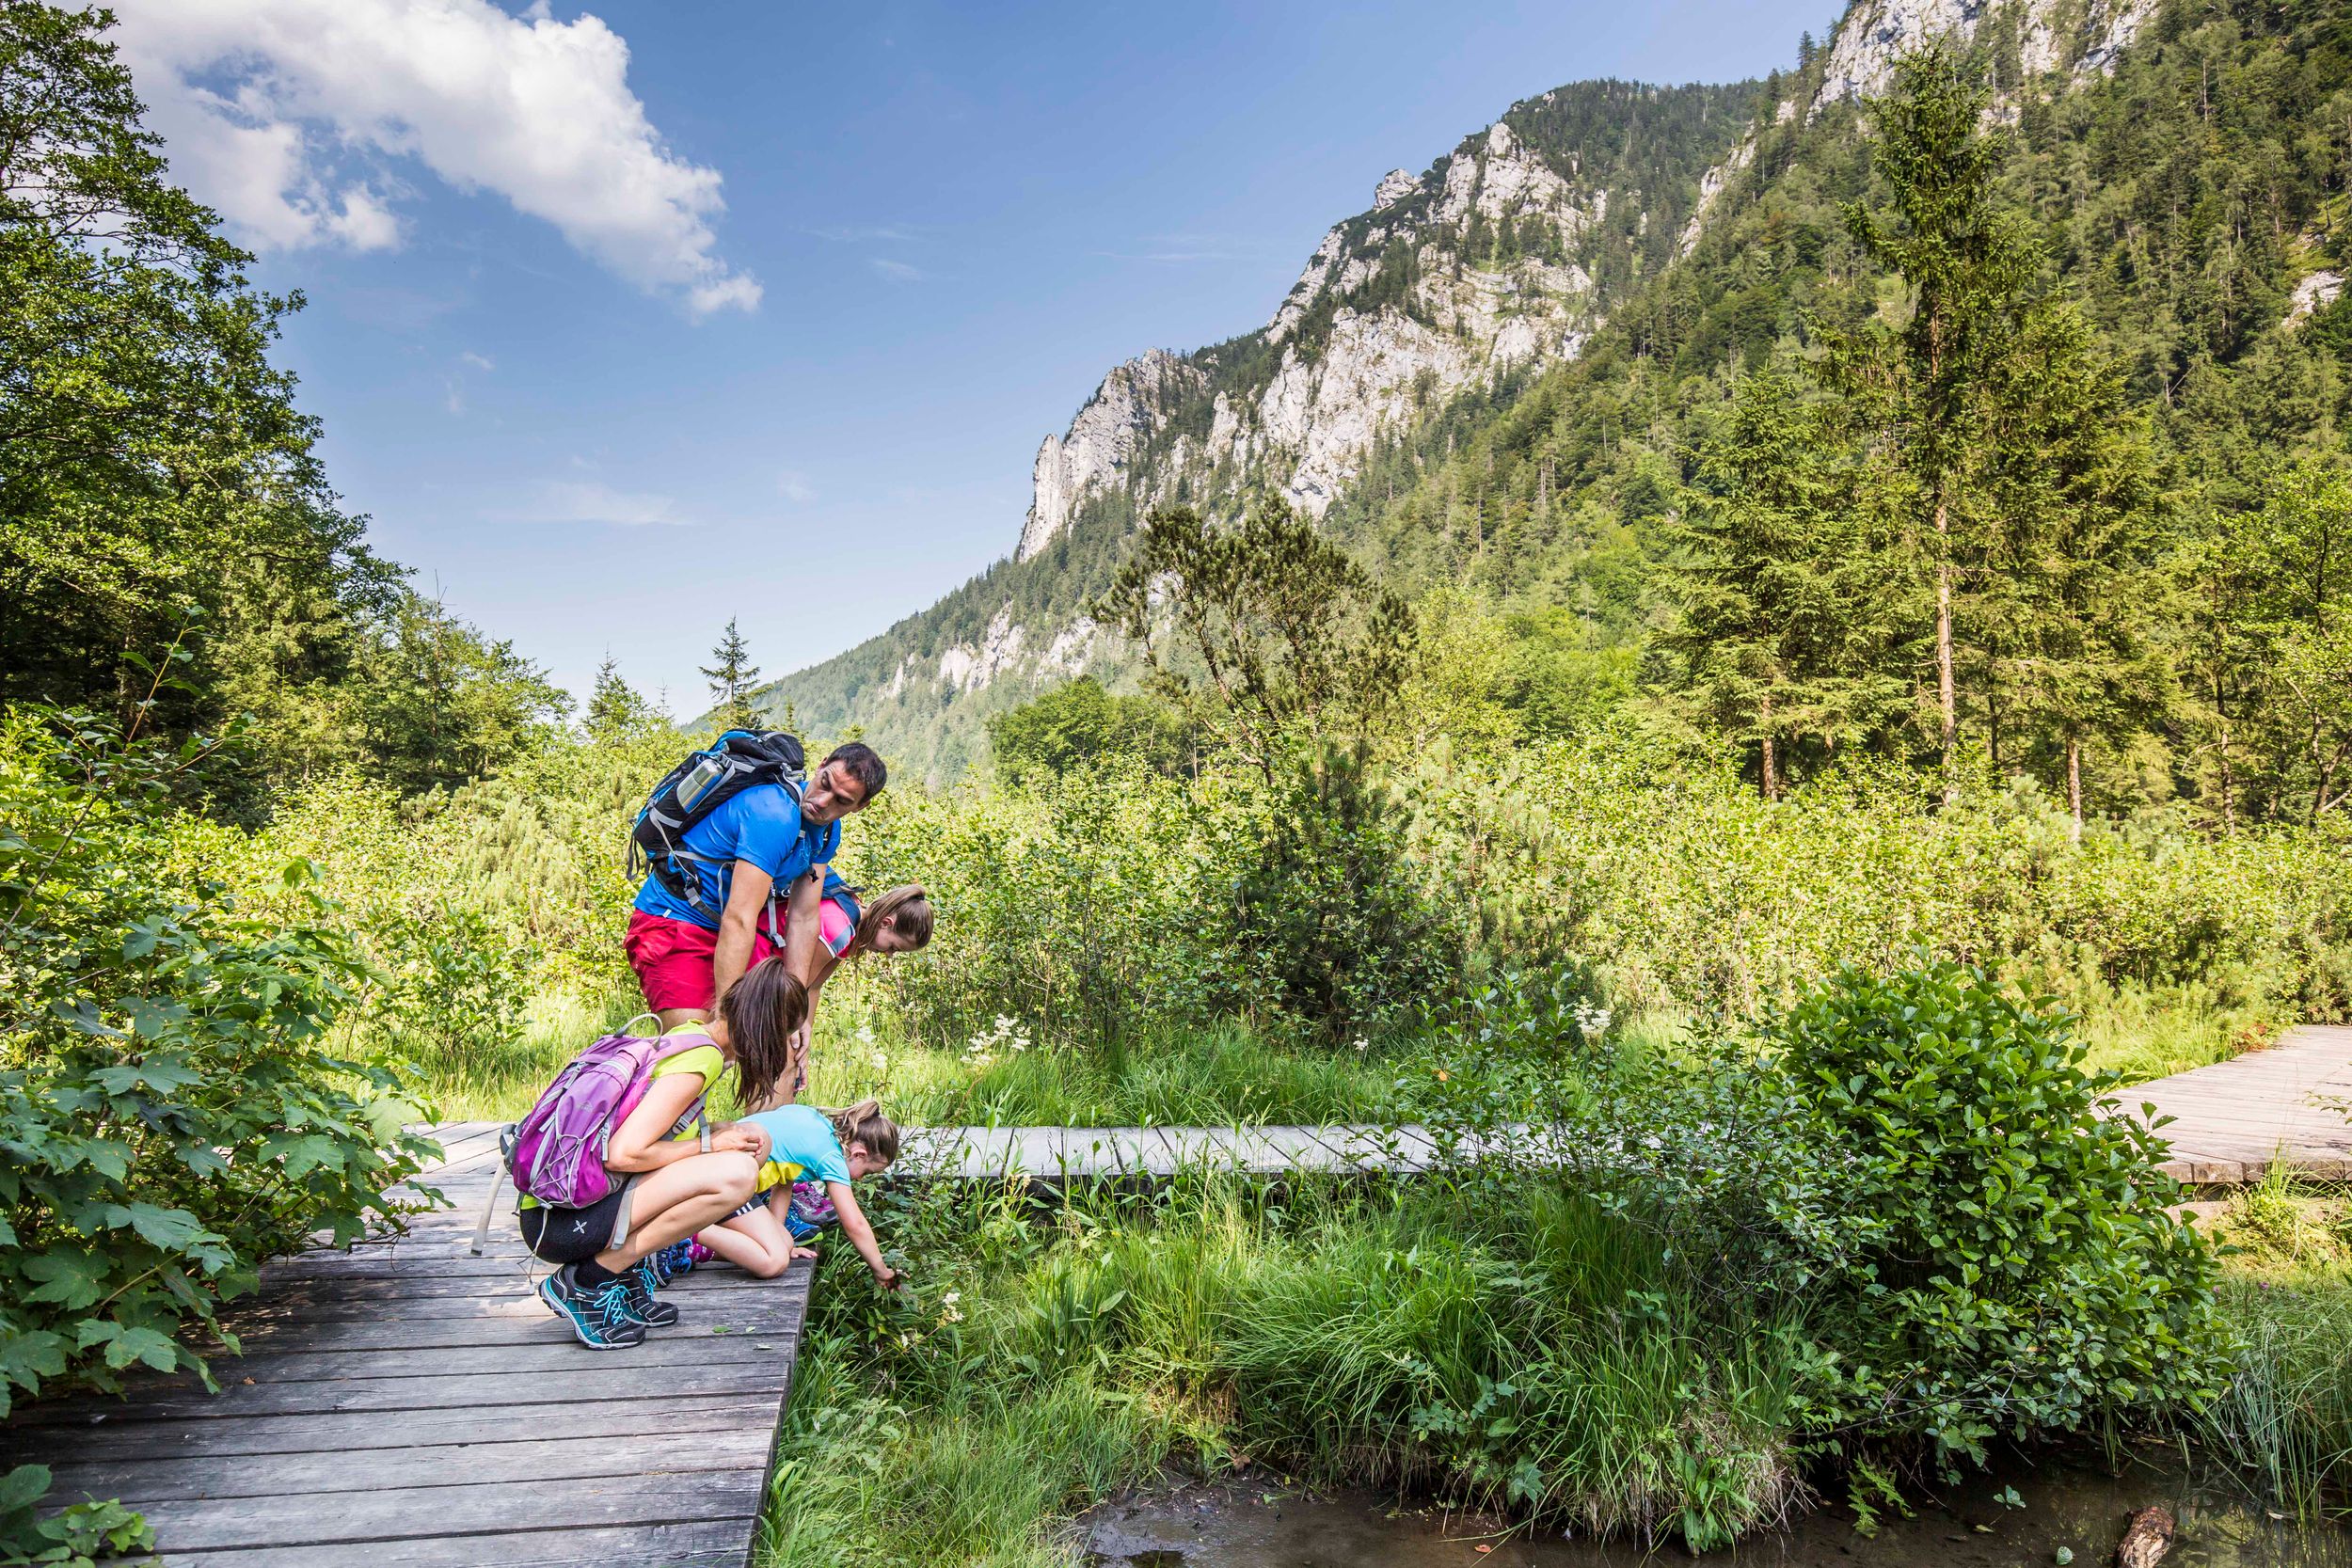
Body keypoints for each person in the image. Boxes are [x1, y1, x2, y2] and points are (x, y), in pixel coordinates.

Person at [519, 958, 803, 1350]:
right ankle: (588, 1282)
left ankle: (624, 1276)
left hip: (567, 1211)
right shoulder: (703, 1059)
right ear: (765, 1031)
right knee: (737, 1175)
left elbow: (651, 1130)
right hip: (562, 1226)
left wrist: (715, 1131)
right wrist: (710, 1145)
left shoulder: (689, 1034)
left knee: (742, 1149)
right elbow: (625, 1154)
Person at [624, 741, 886, 1033]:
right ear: (822, 764)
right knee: (691, 1050)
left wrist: (794, 1009)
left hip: (718, 930)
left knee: (735, 1047)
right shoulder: (775, 815)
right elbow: (739, 917)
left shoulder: (826, 832)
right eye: (824, 784)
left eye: (842, 801)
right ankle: (600, 1075)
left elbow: (804, 916)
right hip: (674, 922)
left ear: (861, 806)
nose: (823, 802)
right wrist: (726, 1017)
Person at [690, 1099, 904, 1290]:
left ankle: (693, 1242)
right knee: (774, 1262)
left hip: (722, 1171)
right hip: (723, 1182)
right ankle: (684, 1236)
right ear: (858, 1154)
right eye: (866, 1173)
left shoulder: (813, 1120)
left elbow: (784, 1182)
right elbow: (854, 1225)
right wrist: (880, 1270)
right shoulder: (830, 1157)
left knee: (785, 1244)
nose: (859, 1179)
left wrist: (779, 1237)